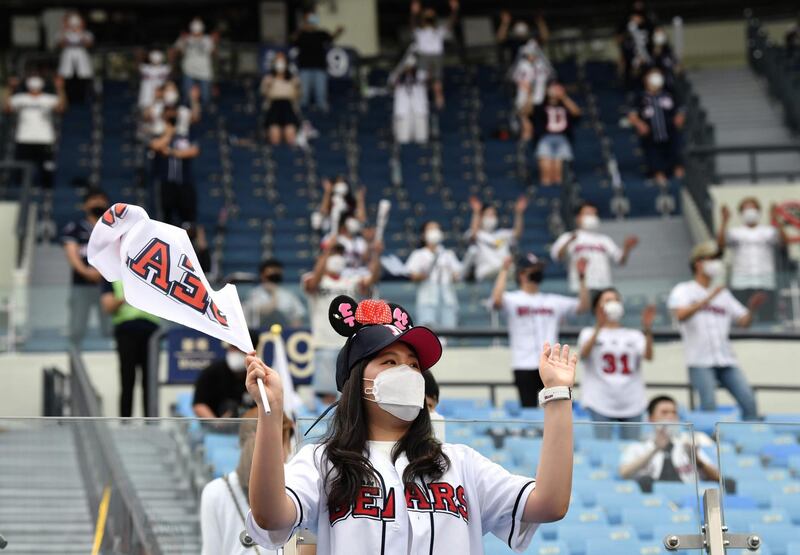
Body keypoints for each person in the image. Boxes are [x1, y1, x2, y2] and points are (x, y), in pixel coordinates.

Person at [243, 296, 577, 553]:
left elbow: (549, 503)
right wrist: (271, 415)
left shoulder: (461, 462)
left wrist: (558, 396)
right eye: (389, 361)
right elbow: (271, 516)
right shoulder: (323, 461)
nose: (407, 372)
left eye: (414, 364)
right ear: (356, 381)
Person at [667, 242, 766, 420]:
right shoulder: (683, 290)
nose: (717, 263)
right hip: (700, 360)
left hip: (725, 358)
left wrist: (752, 309)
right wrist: (709, 298)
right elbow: (680, 315)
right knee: (708, 407)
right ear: (698, 263)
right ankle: (709, 446)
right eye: (712, 259)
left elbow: (744, 321)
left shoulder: (723, 294)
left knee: (749, 402)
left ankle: (749, 440)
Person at [492, 254, 589, 407]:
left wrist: (582, 278)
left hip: (551, 364)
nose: (538, 272)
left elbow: (583, 306)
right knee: (529, 411)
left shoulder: (553, 300)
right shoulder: (512, 299)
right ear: (522, 274)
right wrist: (504, 270)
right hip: (523, 363)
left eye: (539, 269)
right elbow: (496, 301)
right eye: (534, 269)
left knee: (554, 409)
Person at [200, 415, 297, 555]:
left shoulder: (213, 491)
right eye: (288, 443)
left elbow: (211, 551)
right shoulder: (294, 486)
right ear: (281, 445)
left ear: (240, 443)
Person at [303, 241, 383, 404]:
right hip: (323, 343)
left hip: (347, 343)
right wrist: (326, 251)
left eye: (340, 254)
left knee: (348, 391)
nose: (337, 258)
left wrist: (376, 254)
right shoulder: (312, 278)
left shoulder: (350, 280)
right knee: (327, 395)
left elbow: (371, 280)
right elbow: (312, 285)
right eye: (334, 254)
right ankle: (326, 427)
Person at [578, 289, 655, 439]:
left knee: (631, 450)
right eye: (607, 300)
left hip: (632, 400)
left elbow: (648, 356)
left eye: (615, 300)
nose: (612, 304)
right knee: (604, 448)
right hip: (599, 400)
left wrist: (647, 328)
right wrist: (599, 326)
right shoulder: (588, 333)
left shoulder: (634, 335)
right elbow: (583, 355)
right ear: (597, 307)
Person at [619, 395, 721, 493]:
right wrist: (655, 449)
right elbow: (624, 473)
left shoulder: (689, 443)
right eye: (664, 412)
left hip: (688, 496)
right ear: (651, 418)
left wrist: (696, 459)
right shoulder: (638, 446)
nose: (670, 416)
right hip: (652, 499)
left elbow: (717, 477)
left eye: (674, 412)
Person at [717, 198, 791, 321]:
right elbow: (720, 246)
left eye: (753, 208)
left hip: (765, 282)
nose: (750, 211)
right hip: (741, 282)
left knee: (767, 318)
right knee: (741, 317)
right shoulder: (735, 232)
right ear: (741, 213)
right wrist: (724, 221)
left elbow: (785, 243)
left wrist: (776, 219)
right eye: (746, 208)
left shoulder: (769, 231)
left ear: (758, 211)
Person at [101, 280, 160, 417]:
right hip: (126, 332)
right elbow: (108, 306)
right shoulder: (111, 275)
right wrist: (127, 297)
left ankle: (151, 424)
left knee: (150, 382)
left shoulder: (150, 269)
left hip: (151, 334)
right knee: (127, 380)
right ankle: (125, 423)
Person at [550, 202, 639, 294]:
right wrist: (569, 242)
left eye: (594, 214)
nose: (592, 217)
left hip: (603, 288)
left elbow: (620, 261)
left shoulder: (604, 240)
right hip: (579, 289)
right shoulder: (568, 237)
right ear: (578, 218)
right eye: (588, 214)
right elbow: (557, 256)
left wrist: (626, 248)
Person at [62, 188, 110, 347]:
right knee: (77, 326)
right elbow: (71, 253)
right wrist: (87, 271)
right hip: (81, 283)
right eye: (93, 199)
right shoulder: (75, 227)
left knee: (110, 327)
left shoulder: (114, 228)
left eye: (101, 199)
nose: (97, 202)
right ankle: (74, 356)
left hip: (108, 284)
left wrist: (102, 272)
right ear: (84, 205)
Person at [4, 74, 66, 189]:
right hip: (24, 138)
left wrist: (59, 88)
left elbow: (61, 108)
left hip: (45, 138)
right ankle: (19, 189)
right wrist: (10, 89)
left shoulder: (48, 98)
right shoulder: (20, 98)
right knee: (21, 167)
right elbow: (7, 109)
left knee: (47, 167)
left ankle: (47, 189)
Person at [628, 68, 685, 186]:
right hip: (651, 137)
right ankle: (662, 184)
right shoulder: (640, 97)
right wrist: (640, 124)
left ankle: (681, 184)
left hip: (671, 134)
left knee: (677, 160)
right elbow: (632, 115)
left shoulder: (669, 94)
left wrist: (679, 118)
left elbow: (681, 110)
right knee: (655, 164)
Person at [405, 221, 463, 329]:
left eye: (437, 229)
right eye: (430, 229)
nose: (434, 232)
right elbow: (411, 274)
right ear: (423, 235)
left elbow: (458, 274)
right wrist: (421, 275)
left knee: (449, 330)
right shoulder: (418, 254)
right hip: (427, 299)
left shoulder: (448, 254)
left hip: (448, 299)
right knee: (428, 332)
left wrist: (455, 275)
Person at [149, 110, 200, 226]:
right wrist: (169, 133)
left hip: (184, 181)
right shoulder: (159, 134)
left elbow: (194, 151)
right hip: (165, 182)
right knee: (165, 218)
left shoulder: (186, 135)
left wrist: (172, 152)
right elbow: (156, 146)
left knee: (188, 218)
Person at [409, 0, 460, 110]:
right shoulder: (420, 32)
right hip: (424, 58)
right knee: (421, 85)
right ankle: (420, 106)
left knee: (437, 86)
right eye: (427, 15)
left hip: (436, 57)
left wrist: (455, 10)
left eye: (430, 15)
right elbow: (413, 26)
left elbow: (450, 23)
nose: (428, 17)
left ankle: (440, 107)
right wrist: (413, 13)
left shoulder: (438, 31)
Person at [465, 195, 527, 282]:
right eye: (488, 214)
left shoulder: (502, 234)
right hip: (485, 274)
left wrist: (519, 213)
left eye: (493, 215)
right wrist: (476, 212)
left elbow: (517, 233)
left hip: (504, 273)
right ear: (481, 217)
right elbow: (474, 233)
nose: (491, 217)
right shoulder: (476, 233)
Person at [292, 10, 344, 112]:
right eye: (309, 19)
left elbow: (331, 38)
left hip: (320, 68)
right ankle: (302, 119)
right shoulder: (301, 34)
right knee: (304, 96)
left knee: (321, 96)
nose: (311, 22)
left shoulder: (321, 33)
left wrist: (338, 32)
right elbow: (292, 40)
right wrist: (301, 29)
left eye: (313, 19)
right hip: (304, 68)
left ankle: (323, 120)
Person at [533, 81, 581, 187]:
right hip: (545, 137)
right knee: (546, 171)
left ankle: (558, 195)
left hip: (563, 138)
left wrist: (563, 97)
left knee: (559, 173)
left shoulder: (565, 105)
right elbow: (529, 112)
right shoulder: (541, 106)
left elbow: (577, 112)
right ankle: (546, 193)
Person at [193, 342, 256, 418]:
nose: (235, 352)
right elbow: (199, 404)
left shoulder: (257, 374)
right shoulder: (212, 372)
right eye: (232, 347)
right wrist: (216, 424)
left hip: (250, 426)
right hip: (215, 426)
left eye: (240, 349)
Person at [245, 259, 307, 329]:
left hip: (284, 334)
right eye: (271, 275)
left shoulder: (288, 295)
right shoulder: (255, 294)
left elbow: (298, 316)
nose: (274, 278)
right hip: (260, 334)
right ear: (262, 275)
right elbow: (263, 312)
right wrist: (274, 293)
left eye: (276, 275)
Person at [173, 17, 217, 105]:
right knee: (186, 96)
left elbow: (213, 53)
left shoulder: (207, 39)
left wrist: (215, 41)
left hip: (204, 72)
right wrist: (183, 42)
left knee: (205, 97)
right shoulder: (185, 38)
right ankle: (186, 115)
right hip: (189, 71)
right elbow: (176, 51)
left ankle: (204, 115)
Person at [512, 42, 551, 142]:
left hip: (540, 99)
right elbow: (519, 80)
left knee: (539, 123)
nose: (532, 56)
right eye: (530, 54)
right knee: (526, 123)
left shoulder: (541, 64)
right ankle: (525, 142)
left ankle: (536, 140)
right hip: (525, 99)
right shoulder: (522, 65)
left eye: (534, 54)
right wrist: (529, 96)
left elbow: (547, 78)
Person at [261, 52, 301, 146]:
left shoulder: (293, 79)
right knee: (275, 136)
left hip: (288, 107)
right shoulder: (268, 78)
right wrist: (268, 86)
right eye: (277, 61)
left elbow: (297, 95)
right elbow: (264, 93)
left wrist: (296, 88)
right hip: (274, 107)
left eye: (282, 61)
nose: (280, 63)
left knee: (290, 134)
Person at [391, 55, 429, 145]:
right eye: (407, 66)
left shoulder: (420, 74)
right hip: (403, 112)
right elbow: (391, 83)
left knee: (421, 138)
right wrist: (401, 72)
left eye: (411, 66)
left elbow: (426, 80)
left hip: (419, 111)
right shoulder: (397, 75)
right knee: (403, 138)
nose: (409, 68)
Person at [616, 1, 655, 90]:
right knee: (630, 83)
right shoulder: (625, 22)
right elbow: (618, 39)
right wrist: (628, 34)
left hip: (646, 59)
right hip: (630, 59)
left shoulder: (649, 22)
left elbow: (655, 40)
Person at [57, 12, 94, 104]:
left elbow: (88, 44)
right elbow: (61, 44)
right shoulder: (63, 33)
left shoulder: (86, 33)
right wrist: (65, 29)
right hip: (68, 60)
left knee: (83, 81)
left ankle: (83, 101)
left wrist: (80, 32)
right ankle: (69, 101)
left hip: (81, 60)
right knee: (68, 81)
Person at [646, 26, 681, 90]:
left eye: (661, 34)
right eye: (657, 35)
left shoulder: (669, 51)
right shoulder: (650, 50)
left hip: (669, 82)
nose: (659, 37)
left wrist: (676, 67)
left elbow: (677, 66)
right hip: (657, 84)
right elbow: (650, 67)